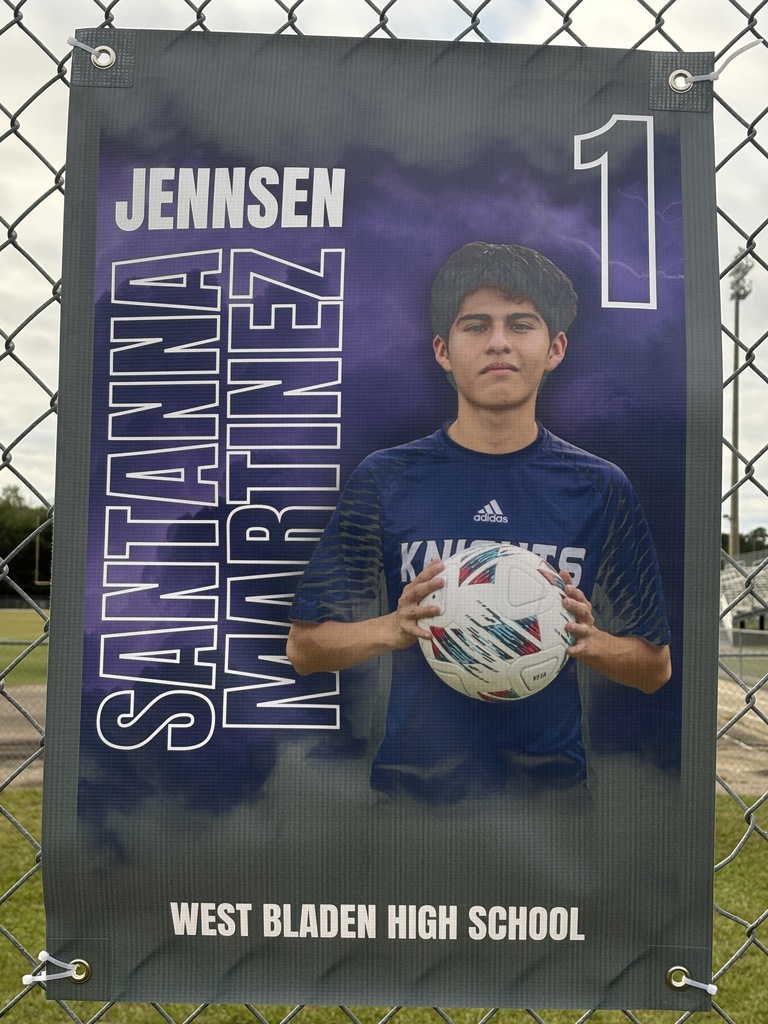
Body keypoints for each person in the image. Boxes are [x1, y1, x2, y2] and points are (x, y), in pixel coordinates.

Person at [287, 241, 671, 803]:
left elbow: (653, 667)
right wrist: (394, 628)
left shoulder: (599, 485)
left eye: (521, 324)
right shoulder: (387, 477)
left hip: (550, 797)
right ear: (443, 350)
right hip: (413, 795)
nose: (498, 343)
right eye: (476, 326)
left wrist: (589, 643)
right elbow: (305, 648)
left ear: (555, 347)